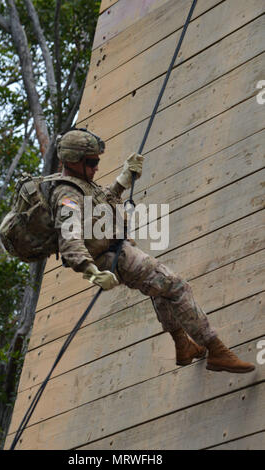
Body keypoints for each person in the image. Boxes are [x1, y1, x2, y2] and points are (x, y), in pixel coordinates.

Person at [50, 128, 255, 374]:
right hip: (116, 258)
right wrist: (92, 272)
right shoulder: (66, 194)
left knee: (160, 290)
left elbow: (98, 206)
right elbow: (69, 241)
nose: (96, 167)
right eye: (91, 162)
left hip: (118, 251)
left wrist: (123, 179)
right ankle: (216, 350)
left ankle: (183, 346)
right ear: (73, 162)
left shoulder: (79, 184)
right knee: (176, 286)